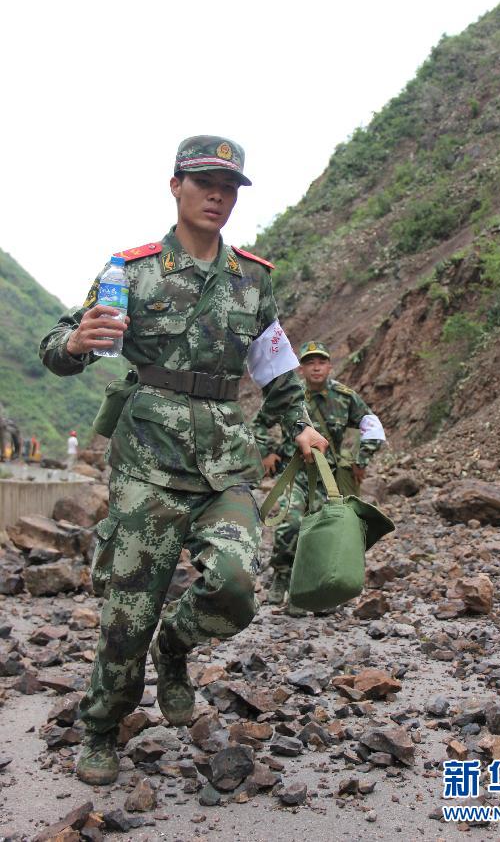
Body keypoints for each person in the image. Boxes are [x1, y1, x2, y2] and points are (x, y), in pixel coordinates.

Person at [39, 134, 327, 786]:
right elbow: (58, 346)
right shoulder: (132, 271)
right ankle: (102, 727)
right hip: (148, 461)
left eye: (228, 188)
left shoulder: (253, 279)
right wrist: (77, 342)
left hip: (226, 460)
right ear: (177, 186)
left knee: (236, 585)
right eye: (204, 184)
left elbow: (276, 368)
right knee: (128, 612)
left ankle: (174, 648)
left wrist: (302, 428)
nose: (216, 197)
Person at [253, 340, 386, 612]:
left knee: (326, 531)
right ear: (301, 369)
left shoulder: (345, 397)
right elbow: (259, 423)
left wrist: (361, 460)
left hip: (328, 478)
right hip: (296, 474)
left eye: (321, 362)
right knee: (290, 524)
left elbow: (371, 425)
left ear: (330, 366)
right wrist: (267, 452)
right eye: (309, 363)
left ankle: (319, 589)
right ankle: (282, 575)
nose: (316, 368)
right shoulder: (290, 396)